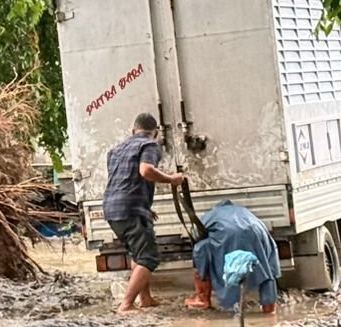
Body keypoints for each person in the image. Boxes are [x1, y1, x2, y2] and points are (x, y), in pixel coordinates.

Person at [104, 112, 188, 312]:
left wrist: (145, 208)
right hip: (131, 210)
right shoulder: (149, 145)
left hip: (112, 209)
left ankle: (146, 299)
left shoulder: (115, 150)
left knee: (137, 253)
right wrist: (172, 179)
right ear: (156, 133)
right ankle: (126, 304)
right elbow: (145, 171)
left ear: (133, 130)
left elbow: (124, 181)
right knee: (148, 258)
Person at [187, 200, 280, 315]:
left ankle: (203, 298)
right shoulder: (244, 211)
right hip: (258, 233)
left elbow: (197, 234)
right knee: (266, 267)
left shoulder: (212, 214)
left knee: (200, 249)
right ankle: (269, 307)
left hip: (229, 236)